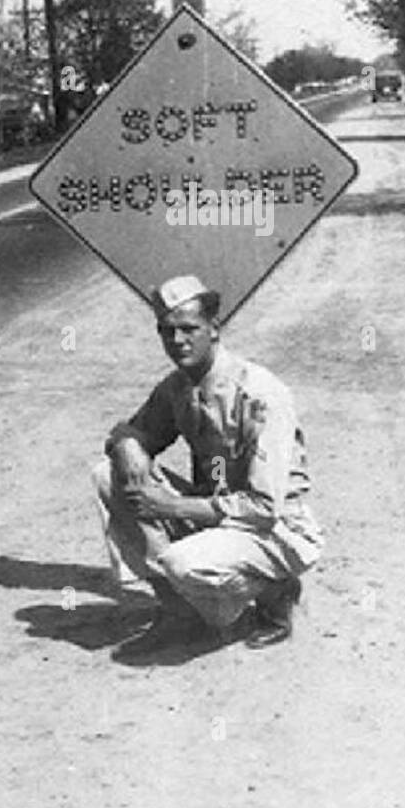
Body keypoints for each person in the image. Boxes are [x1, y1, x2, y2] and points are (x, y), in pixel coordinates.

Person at [93, 274, 323, 659]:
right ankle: (179, 612)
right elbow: (135, 430)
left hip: (278, 529)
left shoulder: (259, 394)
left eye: (189, 329)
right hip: (216, 513)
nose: (178, 341)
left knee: (182, 564)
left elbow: (264, 507)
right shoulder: (178, 387)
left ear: (214, 329)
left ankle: (275, 592)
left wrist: (170, 507)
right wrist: (128, 442)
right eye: (167, 332)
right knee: (107, 474)